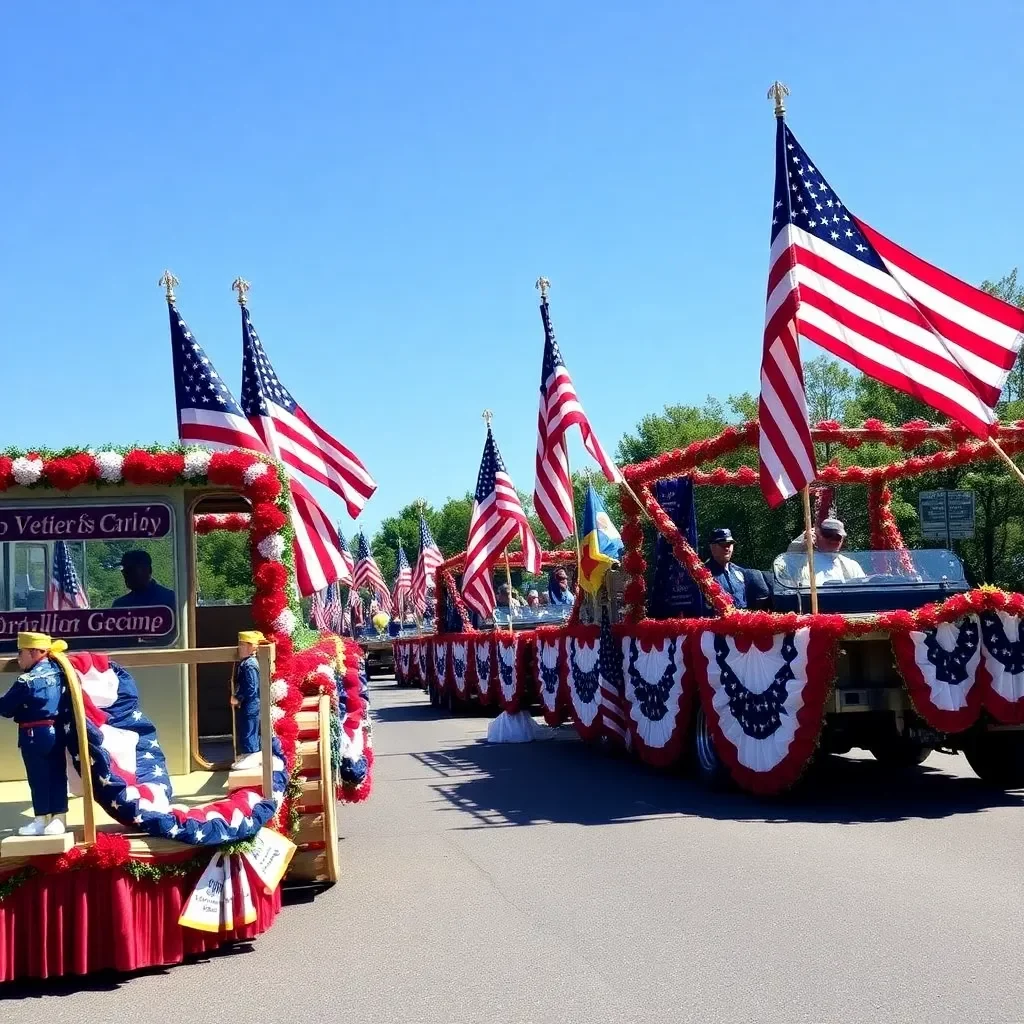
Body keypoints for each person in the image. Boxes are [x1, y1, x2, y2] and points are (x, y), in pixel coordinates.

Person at [0, 632, 70, 836]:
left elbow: (5, 708)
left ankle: (41, 819)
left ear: (34, 652)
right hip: (57, 731)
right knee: (57, 775)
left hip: (33, 733)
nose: (18, 657)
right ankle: (59, 818)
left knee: (38, 777)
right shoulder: (60, 671)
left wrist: (19, 709)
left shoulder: (27, 680)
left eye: (21, 652)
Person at [704, 528, 769, 611]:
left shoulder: (741, 571)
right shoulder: (704, 575)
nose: (727, 548)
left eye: (730, 544)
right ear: (712, 546)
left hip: (743, 620)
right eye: (723, 544)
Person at [231, 630, 264, 771]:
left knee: (249, 729)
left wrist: (238, 698)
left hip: (250, 704)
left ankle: (252, 754)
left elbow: (251, 687)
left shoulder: (250, 665)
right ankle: (247, 753)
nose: (240, 648)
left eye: (243, 645)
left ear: (252, 647)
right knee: (246, 727)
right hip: (248, 704)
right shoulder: (246, 663)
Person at [799, 518, 866, 585]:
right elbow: (792, 570)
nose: (833, 540)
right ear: (816, 536)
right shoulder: (804, 563)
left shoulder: (851, 565)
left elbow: (863, 589)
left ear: (842, 539)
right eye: (828, 535)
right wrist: (801, 541)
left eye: (837, 537)